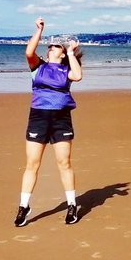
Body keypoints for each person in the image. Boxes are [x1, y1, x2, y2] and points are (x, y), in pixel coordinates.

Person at [13, 18, 83, 228]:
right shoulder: (38, 68)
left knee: (64, 163)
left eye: (56, 46)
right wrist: (39, 31)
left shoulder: (66, 70)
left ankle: (72, 205)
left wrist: (71, 53)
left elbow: (78, 76)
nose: (52, 48)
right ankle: (24, 206)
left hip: (61, 119)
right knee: (32, 164)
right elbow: (28, 52)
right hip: (39, 117)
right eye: (50, 46)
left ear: (61, 53)